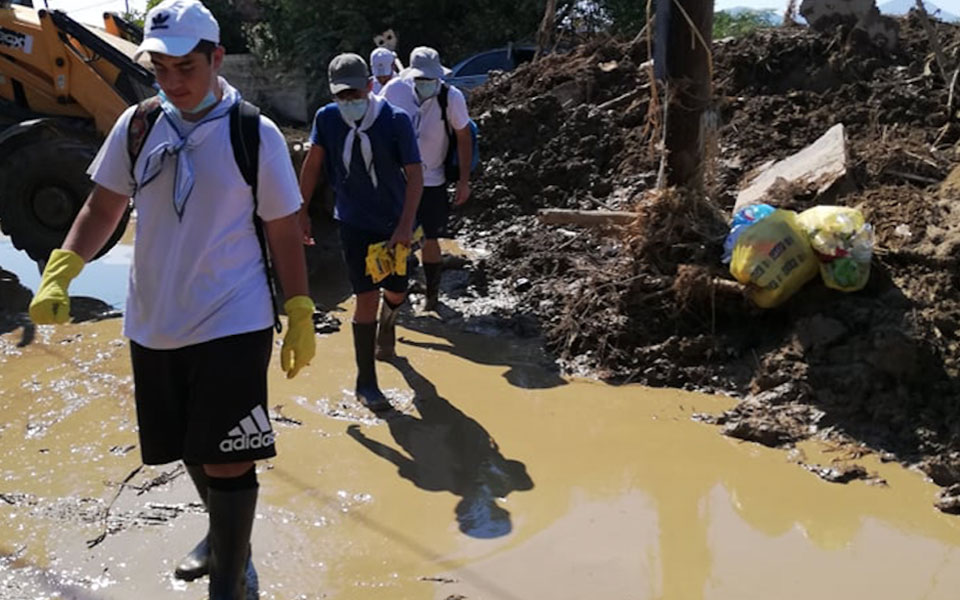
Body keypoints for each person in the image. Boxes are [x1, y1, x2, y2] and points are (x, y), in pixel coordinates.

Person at [27, 1, 315, 597]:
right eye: (160, 68)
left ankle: (231, 582)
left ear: (215, 58)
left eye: (186, 66)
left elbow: (284, 226)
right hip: (155, 319)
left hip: (234, 316)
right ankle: (223, 532)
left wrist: (299, 308)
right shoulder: (137, 125)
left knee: (230, 457)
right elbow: (102, 207)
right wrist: (63, 268)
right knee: (191, 446)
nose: (174, 81)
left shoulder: (251, 132)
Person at [298, 53, 423, 411]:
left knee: (396, 291)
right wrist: (301, 211)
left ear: (370, 86)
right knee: (364, 297)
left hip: (394, 222)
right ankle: (366, 381)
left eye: (355, 94)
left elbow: (414, 176)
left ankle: (390, 320)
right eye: (342, 96)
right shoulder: (327, 119)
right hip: (353, 222)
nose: (348, 102)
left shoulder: (395, 121)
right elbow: (314, 164)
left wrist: (404, 226)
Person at [381, 46, 473, 311]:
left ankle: (432, 295)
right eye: (421, 80)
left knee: (430, 237)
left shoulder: (450, 97)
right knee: (394, 234)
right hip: (397, 179)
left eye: (430, 80)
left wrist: (464, 180)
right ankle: (395, 294)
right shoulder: (395, 91)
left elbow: (464, 136)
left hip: (433, 179)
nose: (425, 85)